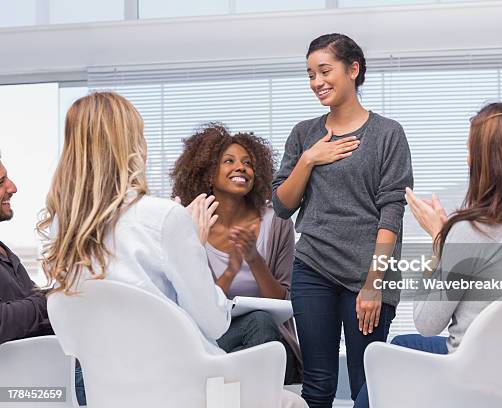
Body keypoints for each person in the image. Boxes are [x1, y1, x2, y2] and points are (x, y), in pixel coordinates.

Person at [37, 92, 307, 408]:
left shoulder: (59, 229)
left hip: (102, 389)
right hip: (179, 386)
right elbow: (213, 323)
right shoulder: (163, 217)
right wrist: (193, 239)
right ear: (131, 146)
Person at [354, 102, 502, 408]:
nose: (466, 159)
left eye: (470, 150)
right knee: (402, 345)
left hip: (472, 383)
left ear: (488, 162)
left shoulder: (471, 231)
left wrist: (441, 241)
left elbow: (426, 322)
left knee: (388, 358)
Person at [272, 33, 413, 407]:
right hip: (313, 267)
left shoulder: (387, 134)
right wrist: (309, 159)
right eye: (310, 74)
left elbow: (392, 212)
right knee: (317, 384)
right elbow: (282, 205)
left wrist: (373, 283)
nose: (317, 82)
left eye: (324, 71)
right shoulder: (305, 135)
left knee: (367, 385)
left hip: (367, 274)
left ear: (353, 69)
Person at [171, 124, 302, 384]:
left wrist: (254, 260)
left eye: (248, 163)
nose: (241, 167)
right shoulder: (189, 220)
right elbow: (193, 304)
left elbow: (285, 300)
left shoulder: (276, 223)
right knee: (238, 360)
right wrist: (220, 262)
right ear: (209, 173)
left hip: (271, 342)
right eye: (228, 161)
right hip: (213, 340)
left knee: (261, 322)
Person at [0, 153, 54, 345]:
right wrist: (50, 301)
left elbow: (30, 304)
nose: (12, 188)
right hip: (23, 371)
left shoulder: (6, 254)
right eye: (1, 182)